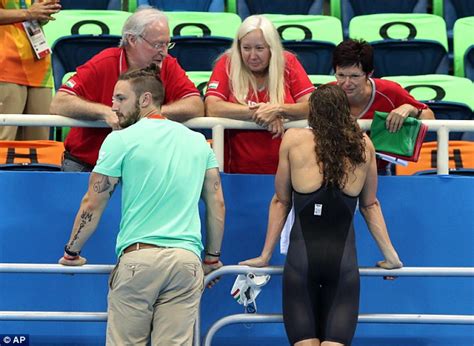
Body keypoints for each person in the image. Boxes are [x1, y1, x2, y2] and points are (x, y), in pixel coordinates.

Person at [58, 65, 225, 346]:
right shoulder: (198, 141)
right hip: (187, 262)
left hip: (139, 260)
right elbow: (217, 203)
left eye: (120, 98)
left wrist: (72, 251)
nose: (113, 106)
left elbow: (93, 202)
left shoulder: (119, 140)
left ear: (146, 99)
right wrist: (212, 257)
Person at [240, 85, 403, 346]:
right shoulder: (364, 145)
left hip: (301, 265)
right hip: (343, 267)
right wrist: (391, 256)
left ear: (313, 113)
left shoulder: (293, 139)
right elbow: (370, 206)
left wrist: (265, 255)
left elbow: (280, 201)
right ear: (345, 112)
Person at [50, 7, 204, 172]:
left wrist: (151, 114)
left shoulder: (168, 65)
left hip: (143, 167)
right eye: (158, 44)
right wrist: (105, 112)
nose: (164, 52)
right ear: (132, 40)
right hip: (89, 164)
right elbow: (59, 103)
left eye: (168, 44)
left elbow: (195, 105)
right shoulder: (105, 62)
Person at [205, 15, 314, 174]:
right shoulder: (228, 62)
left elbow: (313, 106)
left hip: (287, 172)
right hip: (236, 171)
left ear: (272, 48)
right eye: (246, 48)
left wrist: (278, 109)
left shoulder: (288, 62)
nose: (253, 56)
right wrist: (258, 112)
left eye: (260, 48)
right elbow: (212, 107)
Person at [330, 38, 435, 174]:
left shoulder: (390, 91)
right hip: (335, 171)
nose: (346, 83)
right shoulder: (327, 95)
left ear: (369, 74)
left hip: (379, 172)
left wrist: (411, 109)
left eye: (355, 76)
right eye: (341, 75)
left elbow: (430, 119)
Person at [0, 0, 61, 140]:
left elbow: (38, 14)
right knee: (4, 140)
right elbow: (29, 12)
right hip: (5, 67)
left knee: (38, 142)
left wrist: (44, 11)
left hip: (40, 67)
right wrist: (27, 13)